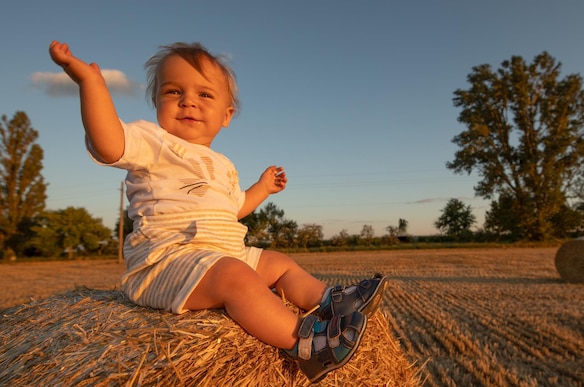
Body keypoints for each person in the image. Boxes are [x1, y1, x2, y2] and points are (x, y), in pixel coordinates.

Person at [49, 40, 388, 383]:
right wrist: (91, 85)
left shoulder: (223, 164)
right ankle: (307, 346)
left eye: (205, 95)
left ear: (226, 115)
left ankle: (331, 301)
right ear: (156, 103)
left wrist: (262, 189)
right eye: (173, 91)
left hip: (224, 254)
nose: (189, 101)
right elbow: (108, 143)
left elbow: (234, 209)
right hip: (168, 262)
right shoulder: (152, 141)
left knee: (278, 262)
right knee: (234, 276)